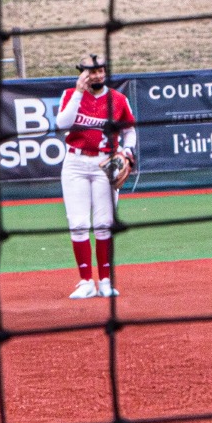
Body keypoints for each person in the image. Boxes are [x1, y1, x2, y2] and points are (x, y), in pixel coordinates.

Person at [57, 54, 137, 300]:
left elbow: (130, 131)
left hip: (106, 162)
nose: (98, 75)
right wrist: (79, 93)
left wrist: (127, 150)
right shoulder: (70, 95)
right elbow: (62, 123)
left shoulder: (118, 99)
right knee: (78, 223)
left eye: (101, 70)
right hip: (75, 162)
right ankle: (85, 282)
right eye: (92, 71)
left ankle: (104, 280)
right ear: (82, 73)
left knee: (104, 223)